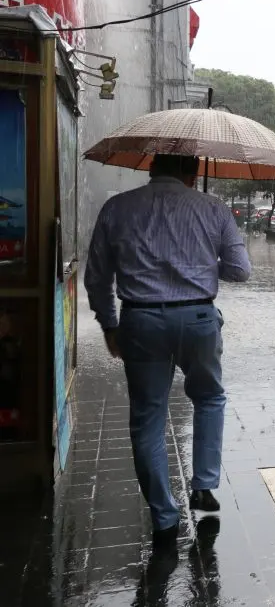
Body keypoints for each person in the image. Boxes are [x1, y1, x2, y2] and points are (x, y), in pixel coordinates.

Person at [84, 153, 251, 549]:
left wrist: (110, 324)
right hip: (198, 319)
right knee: (209, 399)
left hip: (140, 322)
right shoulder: (214, 209)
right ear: (193, 174)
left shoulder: (116, 208)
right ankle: (204, 486)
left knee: (147, 418)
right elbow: (241, 270)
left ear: (151, 168)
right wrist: (206, 259)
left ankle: (163, 516)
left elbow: (97, 276)